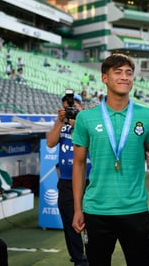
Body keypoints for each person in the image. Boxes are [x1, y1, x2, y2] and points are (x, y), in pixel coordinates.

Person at [71, 53, 149, 266]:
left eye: (129, 73)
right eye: (118, 72)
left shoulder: (148, 116)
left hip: (135, 209)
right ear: (104, 78)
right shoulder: (85, 117)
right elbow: (79, 164)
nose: (124, 77)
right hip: (96, 210)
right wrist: (77, 208)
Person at [47, 93, 90, 266]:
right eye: (67, 108)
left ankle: (94, 255)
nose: (71, 110)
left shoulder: (89, 122)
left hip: (88, 180)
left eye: (74, 106)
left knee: (91, 222)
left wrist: (79, 124)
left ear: (82, 105)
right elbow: (50, 143)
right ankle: (79, 259)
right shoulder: (62, 124)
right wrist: (60, 121)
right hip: (66, 182)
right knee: (69, 223)